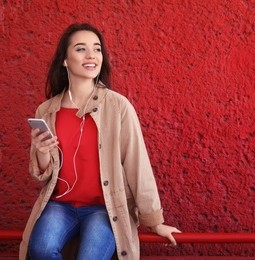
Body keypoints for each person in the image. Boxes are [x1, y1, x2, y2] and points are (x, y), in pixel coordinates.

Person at [19, 23, 180, 260]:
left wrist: (155, 221)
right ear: (65, 60)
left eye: (97, 49)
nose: (92, 55)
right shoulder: (46, 110)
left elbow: (138, 165)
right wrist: (42, 152)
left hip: (104, 209)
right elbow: (43, 173)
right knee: (40, 249)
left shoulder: (118, 106)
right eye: (81, 49)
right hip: (60, 205)